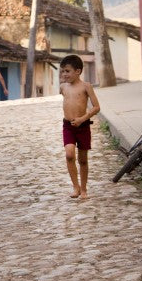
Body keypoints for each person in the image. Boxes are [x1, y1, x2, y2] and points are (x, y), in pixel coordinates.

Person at [60, 54, 101, 200]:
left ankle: (84, 189)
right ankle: (75, 187)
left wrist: (82, 119)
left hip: (83, 126)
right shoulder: (63, 87)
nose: (64, 74)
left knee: (82, 160)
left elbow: (96, 107)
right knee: (69, 154)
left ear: (78, 71)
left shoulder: (86, 86)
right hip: (68, 126)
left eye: (67, 71)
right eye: (63, 71)